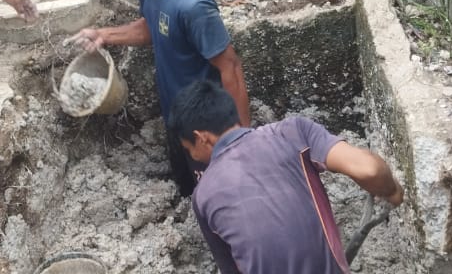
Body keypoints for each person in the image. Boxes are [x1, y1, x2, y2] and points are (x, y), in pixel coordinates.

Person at [67, 0, 249, 196]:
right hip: (176, 116)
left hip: (206, 129)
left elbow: (231, 68)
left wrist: (241, 141)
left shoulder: (192, 5)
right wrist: (104, 35)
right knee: (191, 191)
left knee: (221, 195)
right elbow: (152, 28)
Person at [170, 79, 405, 274]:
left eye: (190, 150)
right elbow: (370, 169)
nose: (196, 157)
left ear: (201, 137)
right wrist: (392, 191)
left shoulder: (203, 195)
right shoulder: (292, 132)